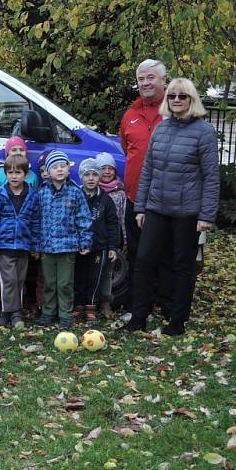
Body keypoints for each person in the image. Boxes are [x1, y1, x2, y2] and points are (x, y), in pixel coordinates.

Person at [126, 78, 219, 336]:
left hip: (187, 212)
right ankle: (138, 318)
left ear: (192, 100)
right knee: (144, 260)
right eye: (172, 96)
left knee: (182, 266)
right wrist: (141, 207)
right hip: (156, 207)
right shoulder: (161, 130)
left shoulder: (204, 132)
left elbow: (211, 176)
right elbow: (148, 171)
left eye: (182, 96)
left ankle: (176, 321)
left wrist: (206, 215)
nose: (176, 100)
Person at [119, 59, 167, 320]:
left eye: (151, 77)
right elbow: (128, 151)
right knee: (137, 256)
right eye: (141, 79)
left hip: (166, 200)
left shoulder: (175, 110)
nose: (146, 83)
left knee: (165, 256)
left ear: (163, 80)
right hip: (135, 198)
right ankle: (136, 308)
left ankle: (167, 308)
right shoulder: (130, 115)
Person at [37, 150, 93, 330]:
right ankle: (48, 312)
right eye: (55, 167)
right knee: (49, 282)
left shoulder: (76, 192)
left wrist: (85, 241)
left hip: (68, 246)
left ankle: (65, 313)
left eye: (63, 166)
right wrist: (36, 244)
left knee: (65, 283)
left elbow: (83, 218)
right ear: (47, 171)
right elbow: (36, 219)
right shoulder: (42, 192)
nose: (59, 170)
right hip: (47, 246)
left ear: (69, 170)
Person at [0, 154, 40, 330]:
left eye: (18, 172)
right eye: (10, 172)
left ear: (26, 174)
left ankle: (17, 312)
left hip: (23, 246)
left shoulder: (32, 195)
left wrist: (35, 245)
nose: (14, 176)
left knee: (19, 280)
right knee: (8, 280)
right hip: (5, 245)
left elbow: (35, 222)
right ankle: (6, 312)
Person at [74, 158, 119, 324]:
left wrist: (113, 246)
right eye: (87, 175)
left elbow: (113, 224)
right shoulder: (76, 195)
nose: (91, 178)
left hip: (99, 246)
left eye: (94, 174)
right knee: (79, 276)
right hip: (79, 247)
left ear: (99, 177)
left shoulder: (106, 200)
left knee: (95, 278)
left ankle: (91, 306)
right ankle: (78, 305)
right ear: (81, 177)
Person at [95, 151, 127, 317]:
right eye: (103, 168)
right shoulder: (93, 191)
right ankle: (89, 303)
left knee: (107, 274)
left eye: (110, 168)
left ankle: (105, 304)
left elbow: (121, 218)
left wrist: (123, 241)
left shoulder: (120, 193)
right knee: (92, 273)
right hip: (94, 240)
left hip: (111, 240)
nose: (107, 172)